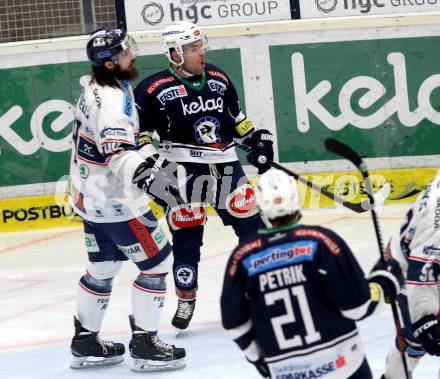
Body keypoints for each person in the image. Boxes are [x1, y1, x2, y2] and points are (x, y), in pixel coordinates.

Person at [134, 21, 274, 332]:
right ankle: (186, 298)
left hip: (226, 166)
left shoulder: (219, 78)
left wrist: (255, 140)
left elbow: (235, 119)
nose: (201, 54)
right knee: (187, 236)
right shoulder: (152, 89)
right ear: (174, 54)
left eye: (201, 47)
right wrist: (152, 161)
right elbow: (139, 134)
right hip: (182, 170)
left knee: (252, 227)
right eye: (193, 49)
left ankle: (262, 290)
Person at [68, 27, 186, 371]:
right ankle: (146, 344)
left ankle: (86, 340)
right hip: (119, 204)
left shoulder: (99, 88)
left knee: (102, 268)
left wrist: (149, 159)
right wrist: (154, 179)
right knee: (158, 265)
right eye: (126, 51)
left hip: (91, 201)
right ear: (111, 62)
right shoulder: (113, 101)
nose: (132, 54)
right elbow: (116, 153)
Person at [220, 169, 403, 379]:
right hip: (343, 365)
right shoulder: (322, 242)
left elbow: (234, 323)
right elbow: (358, 307)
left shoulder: (242, 256)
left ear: (260, 205)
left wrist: (257, 358)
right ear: (296, 200)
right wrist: (383, 283)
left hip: (286, 371)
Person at [381, 170, 440, 379]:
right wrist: (425, 319)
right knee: (415, 341)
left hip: (421, 258)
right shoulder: (438, 220)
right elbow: (423, 269)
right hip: (407, 269)